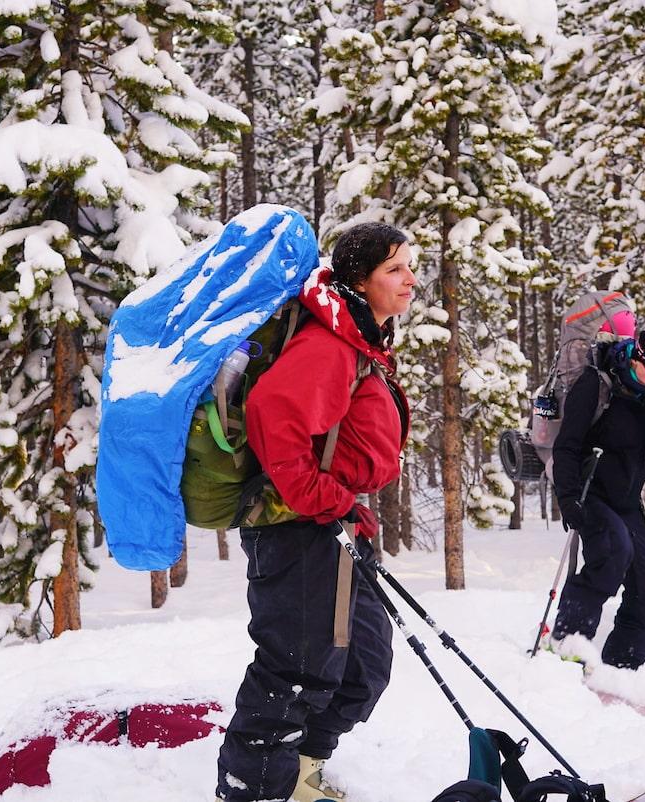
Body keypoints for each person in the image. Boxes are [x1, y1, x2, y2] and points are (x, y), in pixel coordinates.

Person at [215, 222, 414, 802]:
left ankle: (301, 772)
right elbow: (273, 416)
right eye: (394, 270)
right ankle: (253, 792)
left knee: (363, 667)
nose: (410, 278)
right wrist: (324, 500)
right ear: (359, 280)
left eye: (408, 265)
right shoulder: (328, 343)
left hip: (337, 525)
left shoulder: (358, 339)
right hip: (298, 528)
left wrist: (346, 507)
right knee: (294, 671)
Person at [549, 326, 645, 669]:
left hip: (627, 501)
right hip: (589, 494)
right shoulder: (595, 385)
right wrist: (568, 499)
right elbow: (565, 447)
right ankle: (567, 646)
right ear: (634, 359)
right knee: (612, 554)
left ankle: (621, 667)